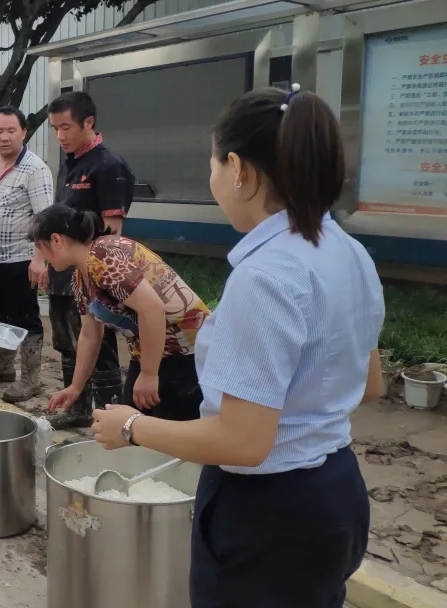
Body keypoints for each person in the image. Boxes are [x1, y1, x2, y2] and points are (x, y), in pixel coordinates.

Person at [93, 84, 384, 607]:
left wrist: (132, 428)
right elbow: (370, 383)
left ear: (239, 169)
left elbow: (244, 441)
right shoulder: (350, 253)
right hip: (337, 494)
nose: (213, 178)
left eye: (213, 164)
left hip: (269, 518)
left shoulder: (267, 276)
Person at [31, 206, 208, 422]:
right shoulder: (80, 279)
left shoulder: (103, 254)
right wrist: (75, 387)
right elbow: (90, 335)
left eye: (40, 247)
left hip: (189, 353)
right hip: (150, 353)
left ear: (56, 240)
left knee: (167, 435)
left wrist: (149, 374)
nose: (42, 256)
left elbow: (152, 309)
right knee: (131, 425)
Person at [44, 91, 134, 430]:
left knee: (100, 341)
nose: (60, 135)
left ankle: (110, 413)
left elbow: (114, 233)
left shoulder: (108, 165)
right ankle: (77, 405)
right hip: (66, 270)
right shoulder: (71, 163)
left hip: (95, 273)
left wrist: (96, 276)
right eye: (55, 129)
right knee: (68, 337)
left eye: (66, 127)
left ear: (89, 122)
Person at [0, 106, 52, 404]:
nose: (4, 137)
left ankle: (31, 380)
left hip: (21, 259)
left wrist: (39, 259)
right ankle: (2, 368)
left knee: (26, 318)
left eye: (11, 131)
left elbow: (44, 219)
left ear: (24, 132)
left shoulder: (35, 169)